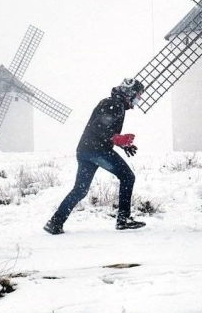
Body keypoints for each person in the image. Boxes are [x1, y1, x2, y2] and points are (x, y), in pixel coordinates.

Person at [44, 79, 146, 234]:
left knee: (80, 189)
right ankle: (123, 219)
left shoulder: (111, 103)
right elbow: (99, 128)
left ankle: (55, 222)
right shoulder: (115, 104)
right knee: (127, 177)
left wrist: (123, 143)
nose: (139, 99)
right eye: (138, 95)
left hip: (85, 151)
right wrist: (116, 138)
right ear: (130, 93)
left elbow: (101, 130)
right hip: (97, 151)